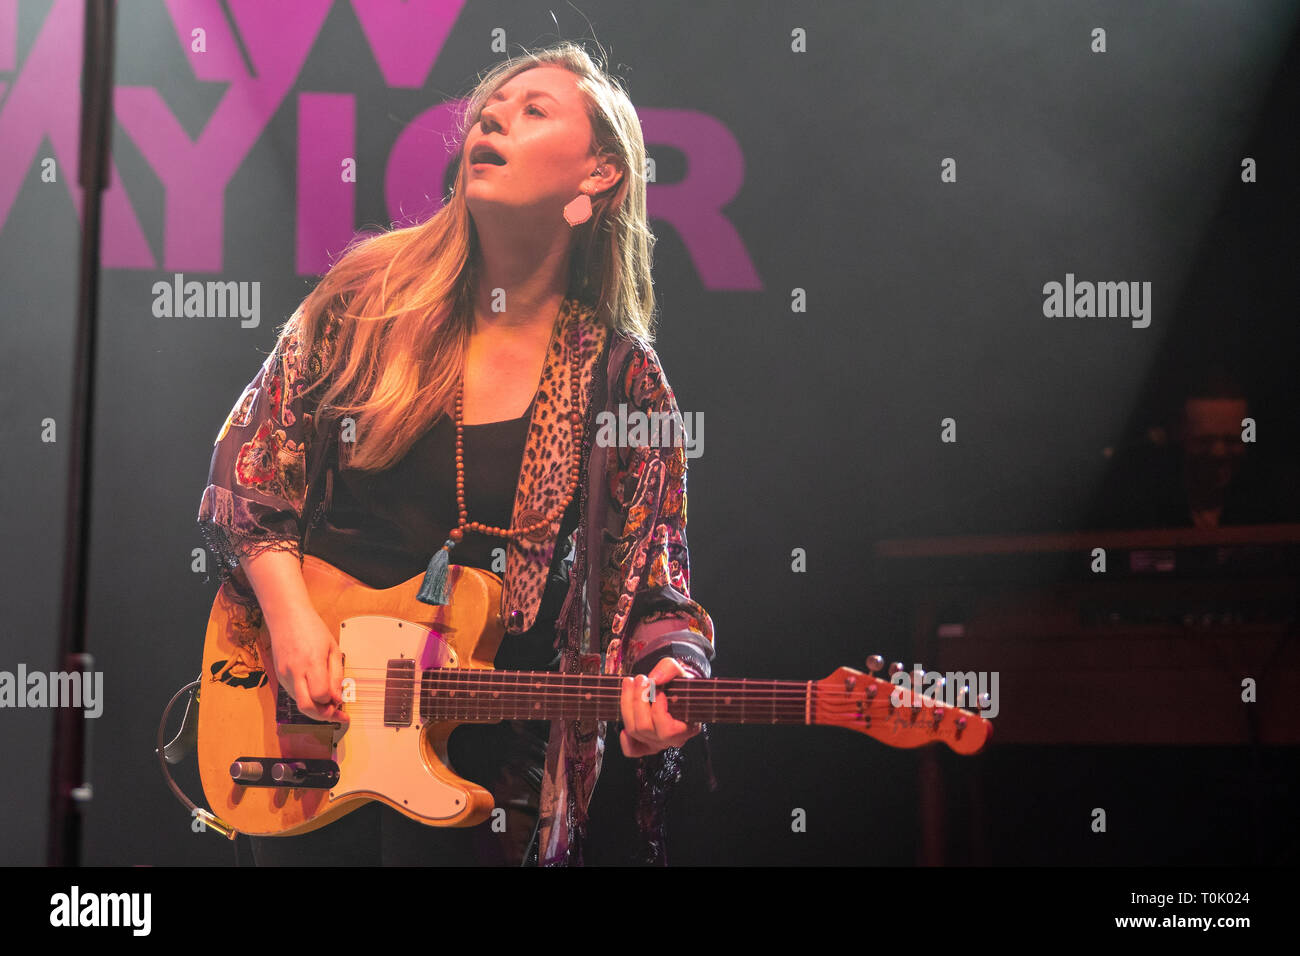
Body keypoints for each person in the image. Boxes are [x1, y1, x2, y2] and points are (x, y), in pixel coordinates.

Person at [196, 42, 715, 866]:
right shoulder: (368, 298)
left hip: (487, 760)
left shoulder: (625, 380)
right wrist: (292, 625)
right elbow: (249, 473)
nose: (491, 119)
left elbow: (656, 578)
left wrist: (673, 673)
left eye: (533, 110)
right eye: (487, 110)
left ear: (600, 175)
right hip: (307, 715)